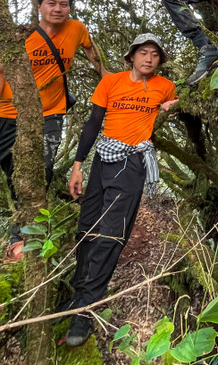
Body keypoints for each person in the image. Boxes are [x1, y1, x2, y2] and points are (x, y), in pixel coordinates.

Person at [0, 0, 107, 262]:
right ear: (39, 6)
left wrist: (105, 74)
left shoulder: (76, 29)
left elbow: (91, 49)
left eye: (63, 4)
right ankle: (21, 221)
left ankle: (20, 236)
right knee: (12, 172)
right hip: (8, 114)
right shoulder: (20, 37)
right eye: (51, 3)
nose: (58, 9)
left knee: (40, 169)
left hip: (51, 114)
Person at [64, 33, 177, 347]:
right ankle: (77, 294)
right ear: (131, 56)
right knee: (86, 229)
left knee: (112, 235)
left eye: (155, 54)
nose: (149, 59)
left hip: (133, 161)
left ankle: (84, 312)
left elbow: (175, 108)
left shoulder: (165, 86)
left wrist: (175, 106)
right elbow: (93, 122)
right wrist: (77, 164)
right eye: (143, 52)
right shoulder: (111, 82)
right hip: (102, 157)